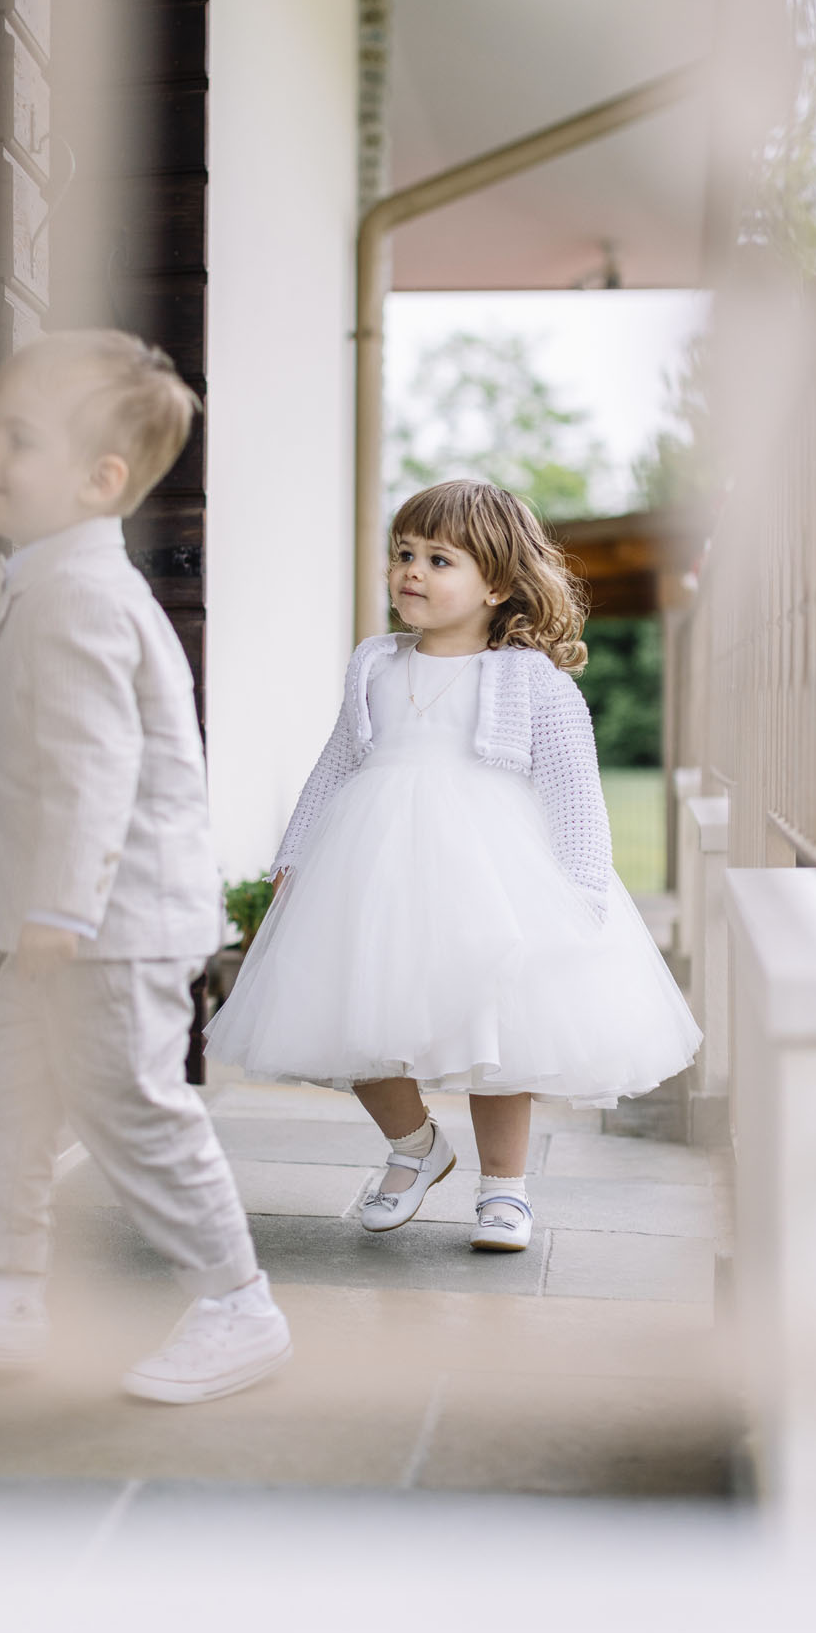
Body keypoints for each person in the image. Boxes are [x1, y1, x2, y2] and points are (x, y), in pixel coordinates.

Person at [0, 330, 290, 1405]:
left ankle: (238, 1303)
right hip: (73, 919)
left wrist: (58, 904)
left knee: (135, 1107)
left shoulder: (81, 594)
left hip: (109, 921)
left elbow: (96, 767)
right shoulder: (50, 577)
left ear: (99, 479)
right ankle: (4, 1291)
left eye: (19, 438)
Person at [207, 479, 701, 1250]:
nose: (412, 570)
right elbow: (335, 764)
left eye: (439, 560)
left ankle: (504, 1189)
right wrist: (294, 853)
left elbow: (574, 790)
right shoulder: (375, 664)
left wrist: (581, 889)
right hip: (369, 872)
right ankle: (415, 1148)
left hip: (490, 879)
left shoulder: (531, 679)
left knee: (496, 1031)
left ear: (496, 585)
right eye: (404, 553)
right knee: (351, 1010)